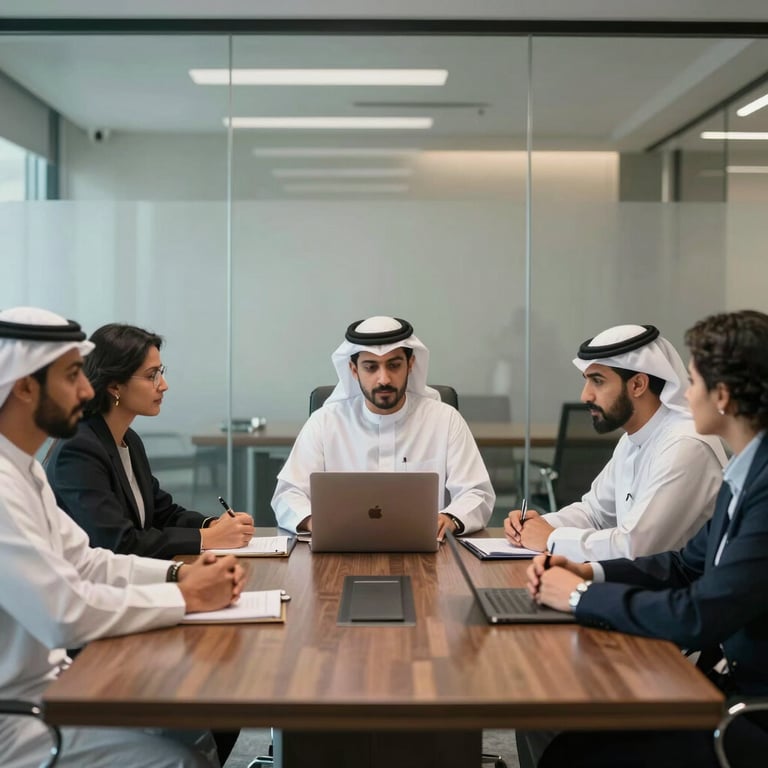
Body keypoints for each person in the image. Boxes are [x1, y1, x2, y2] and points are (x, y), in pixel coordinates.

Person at [520, 309, 768, 768]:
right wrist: (587, 572)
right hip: (719, 681)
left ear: (722, 395)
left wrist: (578, 595)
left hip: (747, 709)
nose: (683, 393)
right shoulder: (746, 472)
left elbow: (699, 613)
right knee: (560, 728)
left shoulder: (755, 481)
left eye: (693, 382)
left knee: (569, 751)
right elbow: (684, 564)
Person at [0, 307, 245, 768]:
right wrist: (186, 596)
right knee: (184, 757)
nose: (86, 390)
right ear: (25, 386)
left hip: (57, 685)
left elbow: (90, 560)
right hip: (18, 716)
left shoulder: (24, 470)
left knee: (210, 705)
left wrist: (177, 576)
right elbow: (64, 613)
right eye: (72, 375)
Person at [506, 323, 728, 561]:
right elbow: (594, 513)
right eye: (586, 380)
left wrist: (552, 538)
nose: (585, 395)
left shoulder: (685, 445)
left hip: (682, 583)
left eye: (598, 381)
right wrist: (536, 525)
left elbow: (636, 547)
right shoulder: (631, 440)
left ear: (638, 385)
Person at [272, 316, 495, 538]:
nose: (384, 379)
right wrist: (316, 523)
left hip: (429, 551)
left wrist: (451, 518)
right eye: (371, 367)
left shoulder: (445, 420)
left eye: (394, 365)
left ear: (410, 365)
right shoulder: (324, 422)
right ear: (353, 370)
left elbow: (476, 492)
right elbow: (288, 494)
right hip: (341, 548)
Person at [46, 323, 254, 558]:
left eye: (160, 372)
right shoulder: (78, 450)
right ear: (114, 385)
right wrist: (208, 538)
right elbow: (118, 543)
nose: (163, 385)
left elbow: (161, 513)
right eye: (151, 376)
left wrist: (212, 525)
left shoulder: (129, 440)